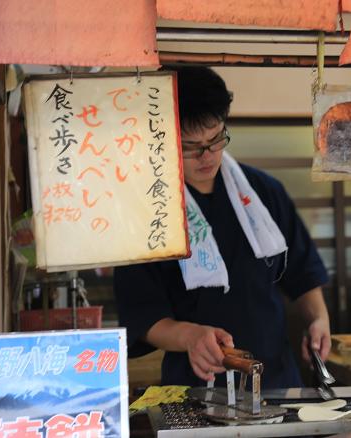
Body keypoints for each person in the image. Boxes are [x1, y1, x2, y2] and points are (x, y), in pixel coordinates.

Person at [114, 66, 331, 389]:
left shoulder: (262, 192)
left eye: (216, 139)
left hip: (275, 379)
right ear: (165, 140)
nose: (208, 155)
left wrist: (319, 318)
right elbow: (141, 313)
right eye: (192, 146)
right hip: (197, 385)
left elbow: (302, 271)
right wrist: (189, 336)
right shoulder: (149, 209)